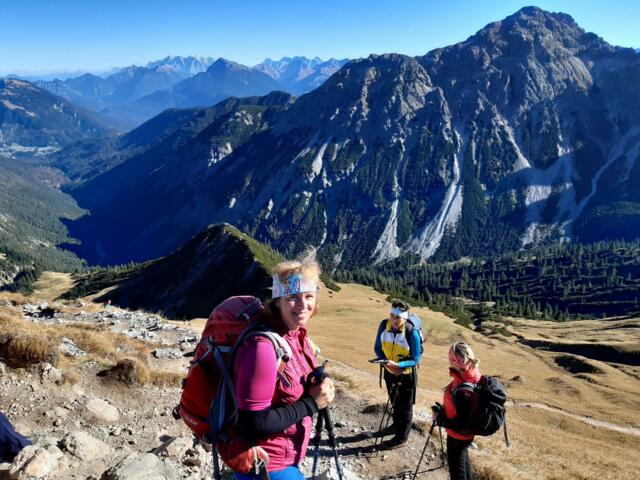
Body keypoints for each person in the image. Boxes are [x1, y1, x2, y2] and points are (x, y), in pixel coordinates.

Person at [232, 255, 335, 480]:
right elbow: (254, 423)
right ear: (277, 300)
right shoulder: (262, 348)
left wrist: (319, 377)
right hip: (266, 466)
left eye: (309, 296)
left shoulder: (296, 336)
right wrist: (312, 403)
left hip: (287, 459)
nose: (303, 305)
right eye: (293, 297)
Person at [373, 299, 422, 449]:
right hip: (389, 371)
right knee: (394, 401)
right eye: (392, 315)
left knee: (405, 407)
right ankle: (396, 425)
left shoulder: (411, 332)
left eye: (398, 317)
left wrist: (399, 365)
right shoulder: (383, 325)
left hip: (406, 375)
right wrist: (387, 363)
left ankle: (401, 438)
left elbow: (415, 358)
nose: (394, 320)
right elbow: (377, 348)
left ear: (405, 317)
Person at [434, 341, 481, 480]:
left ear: (458, 362)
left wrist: (441, 420)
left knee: (457, 471)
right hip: (463, 435)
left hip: (458, 435)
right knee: (463, 461)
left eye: (451, 359)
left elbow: (461, 424)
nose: (449, 362)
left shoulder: (464, 389)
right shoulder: (469, 374)